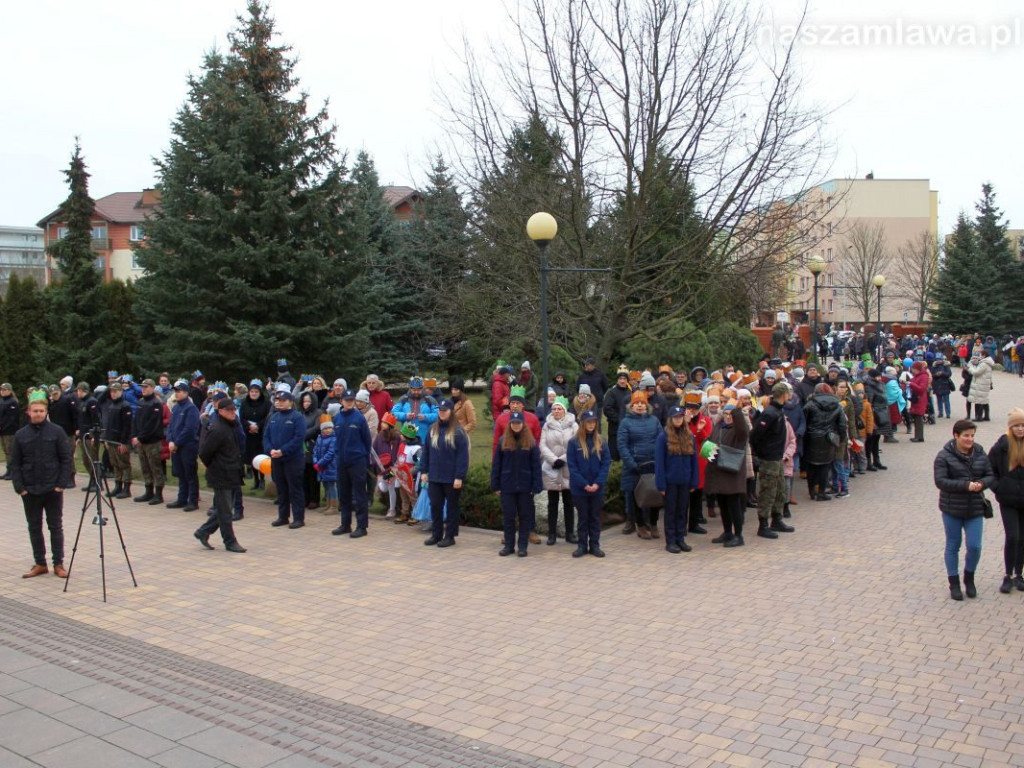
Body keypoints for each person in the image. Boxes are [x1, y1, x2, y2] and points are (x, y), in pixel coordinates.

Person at [10, 391, 73, 578]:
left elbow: (66, 459)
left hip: (53, 489)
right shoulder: (21, 435)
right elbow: (15, 463)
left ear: (46, 412)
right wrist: (19, 487)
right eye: (34, 410)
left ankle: (58, 563)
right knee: (34, 527)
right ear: (28, 412)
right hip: (30, 490)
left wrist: (61, 484)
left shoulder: (57, 432)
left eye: (41, 410)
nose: (38, 413)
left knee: (55, 527)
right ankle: (40, 563)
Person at [934, 419, 994, 600]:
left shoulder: (980, 453)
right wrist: (966, 485)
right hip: (952, 508)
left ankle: (970, 578)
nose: (970, 439)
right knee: (953, 545)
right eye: (966, 436)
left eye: (972, 436)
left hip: (974, 508)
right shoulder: (944, 456)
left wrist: (982, 484)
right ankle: (954, 582)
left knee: (975, 546)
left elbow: (990, 475)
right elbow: (941, 481)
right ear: (956, 436)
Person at [194, 398, 247, 553]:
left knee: (225, 507)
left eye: (234, 410)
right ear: (221, 411)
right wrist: (214, 466)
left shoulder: (231, 425)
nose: (233, 413)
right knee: (225, 511)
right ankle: (230, 541)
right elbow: (204, 452)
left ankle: (203, 531)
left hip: (232, 471)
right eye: (229, 410)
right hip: (221, 474)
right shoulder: (217, 429)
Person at [490, 411, 543, 557]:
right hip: (507, 485)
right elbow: (497, 465)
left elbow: (536, 466)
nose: (516, 425)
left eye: (518, 423)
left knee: (525, 517)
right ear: (510, 424)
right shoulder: (503, 441)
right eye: (513, 423)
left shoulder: (531, 442)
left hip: (525, 486)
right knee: (508, 516)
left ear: (523, 424)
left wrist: (536, 485)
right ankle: (509, 546)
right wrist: (495, 484)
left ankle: (522, 546)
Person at [419, 399, 470, 547]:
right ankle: (436, 534)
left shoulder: (458, 432)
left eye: (445, 411)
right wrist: (424, 470)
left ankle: (450, 536)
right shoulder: (432, 430)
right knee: (435, 505)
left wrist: (459, 476)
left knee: (452, 507)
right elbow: (426, 452)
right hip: (435, 476)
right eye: (440, 411)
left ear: (451, 412)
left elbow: (463, 457)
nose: (442, 413)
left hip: (451, 478)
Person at [749, 382, 796, 538]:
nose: (790, 395)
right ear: (784, 395)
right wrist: (760, 453)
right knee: (768, 491)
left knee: (779, 490)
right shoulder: (770, 413)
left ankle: (777, 519)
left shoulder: (778, 411)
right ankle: (763, 525)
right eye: (788, 393)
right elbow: (755, 435)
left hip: (777, 458)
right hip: (769, 458)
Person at [988, 409, 1024, 595]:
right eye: (1016, 425)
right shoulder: (1002, 446)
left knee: (1022, 539)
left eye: (1023, 425)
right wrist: (998, 487)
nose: (1020, 429)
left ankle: (1019, 574)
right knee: (1013, 537)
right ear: (1010, 427)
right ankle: (1007, 575)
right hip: (1008, 499)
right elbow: (989, 469)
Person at [618, 390, 662, 539]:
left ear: (646, 405)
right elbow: (622, 445)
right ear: (631, 405)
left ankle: (654, 524)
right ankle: (641, 526)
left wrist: (660, 460)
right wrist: (631, 463)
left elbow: (661, 440)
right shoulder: (626, 422)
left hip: (653, 464)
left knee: (655, 495)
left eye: (642, 403)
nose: (639, 405)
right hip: (635, 467)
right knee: (637, 497)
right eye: (636, 403)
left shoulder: (654, 420)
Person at [655, 404, 699, 553]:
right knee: (671, 512)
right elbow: (659, 463)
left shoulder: (690, 436)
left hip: (685, 481)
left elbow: (694, 461)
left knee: (682, 511)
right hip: (670, 482)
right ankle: (671, 541)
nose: (678, 420)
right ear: (671, 419)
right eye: (675, 418)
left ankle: (680, 539)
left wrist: (694, 480)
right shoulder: (663, 437)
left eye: (680, 417)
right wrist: (661, 484)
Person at [705, 403, 750, 547]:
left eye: (731, 414)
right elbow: (708, 448)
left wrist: (737, 411)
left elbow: (743, 428)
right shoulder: (718, 427)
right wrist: (710, 453)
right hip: (718, 472)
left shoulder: (739, 431)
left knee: (734, 506)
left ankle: (738, 535)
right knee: (723, 505)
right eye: (726, 414)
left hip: (732, 473)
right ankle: (727, 532)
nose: (728, 417)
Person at [566, 410, 610, 558]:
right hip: (580, 489)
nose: (591, 425)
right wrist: (584, 484)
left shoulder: (601, 441)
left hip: (597, 488)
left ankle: (595, 545)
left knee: (595, 517)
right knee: (583, 518)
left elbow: (605, 464)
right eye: (588, 422)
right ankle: (582, 545)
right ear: (583, 424)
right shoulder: (574, 442)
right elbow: (572, 466)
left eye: (593, 422)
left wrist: (598, 483)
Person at [264, 383, 307, 529]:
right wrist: (270, 450)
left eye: (282, 400)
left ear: (290, 402)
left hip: (292, 459)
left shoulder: (297, 417)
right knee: (281, 488)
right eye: (277, 400)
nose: (279, 402)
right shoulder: (274, 417)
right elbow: (266, 436)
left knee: (294, 488)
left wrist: (283, 450)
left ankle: (298, 517)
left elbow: (298, 438)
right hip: (276, 459)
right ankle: (283, 516)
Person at [331, 389, 373, 538]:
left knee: (359, 494)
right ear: (341, 401)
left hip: (357, 461)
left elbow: (367, 441)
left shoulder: (359, 418)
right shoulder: (336, 418)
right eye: (346, 400)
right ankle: (345, 524)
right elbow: (335, 439)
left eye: (351, 400)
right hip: (341, 461)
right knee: (344, 494)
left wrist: (363, 458)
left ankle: (362, 526)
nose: (349, 402)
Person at [540, 397, 577, 546]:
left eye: (559, 408)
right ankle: (552, 534)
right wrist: (554, 460)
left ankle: (569, 534)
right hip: (552, 468)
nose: (556, 411)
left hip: (568, 467)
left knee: (569, 502)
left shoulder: (573, 425)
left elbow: (576, 444)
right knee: (552, 502)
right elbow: (542, 445)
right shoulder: (546, 425)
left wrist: (564, 459)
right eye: (554, 408)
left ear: (565, 410)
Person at [802, 383, 847, 501]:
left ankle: (812, 491)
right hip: (829, 438)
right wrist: (841, 439)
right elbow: (842, 425)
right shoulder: (837, 405)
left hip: (812, 438)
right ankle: (821, 492)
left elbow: (804, 422)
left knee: (811, 465)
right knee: (824, 466)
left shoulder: (810, 404)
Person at [166, 380, 201, 511]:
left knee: (190, 474)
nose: (177, 394)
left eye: (179, 391)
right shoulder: (175, 407)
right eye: (175, 391)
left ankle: (193, 500)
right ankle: (182, 498)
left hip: (187, 446)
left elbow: (190, 429)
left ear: (186, 392)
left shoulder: (191, 408)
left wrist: (177, 442)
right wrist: (170, 440)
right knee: (180, 473)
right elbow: (170, 426)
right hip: (175, 446)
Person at [132, 378, 166, 505]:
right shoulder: (141, 402)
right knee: (145, 466)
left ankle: (158, 493)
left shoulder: (156, 403)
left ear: (152, 388)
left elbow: (152, 424)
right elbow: (136, 420)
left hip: (152, 441)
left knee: (155, 467)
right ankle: (148, 490)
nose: (143, 389)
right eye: (142, 387)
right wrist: (134, 435)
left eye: (146, 387)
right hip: (141, 440)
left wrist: (141, 437)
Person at [240, 379, 271, 490]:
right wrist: (249, 426)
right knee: (251, 457)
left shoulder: (266, 403)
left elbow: (268, 417)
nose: (254, 393)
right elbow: (242, 417)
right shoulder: (244, 403)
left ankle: (262, 479)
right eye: (252, 391)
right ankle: (256, 480)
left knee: (261, 457)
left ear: (260, 393)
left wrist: (258, 425)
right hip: (249, 434)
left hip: (261, 434)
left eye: (256, 392)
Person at [298, 391, 324, 510]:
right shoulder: (300, 414)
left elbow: (317, 428)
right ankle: (305, 498)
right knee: (303, 474)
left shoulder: (318, 413)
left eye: (308, 401)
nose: (306, 403)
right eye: (304, 401)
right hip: (301, 448)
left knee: (312, 475)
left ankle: (314, 499)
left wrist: (303, 435)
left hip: (313, 446)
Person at [393, 377, 439, 443]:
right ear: (410, 389)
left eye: (418, 390)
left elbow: (438, 415)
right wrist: (405, 416)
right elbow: (393, 413)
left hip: (424, 438)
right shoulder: (403, 399)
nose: (416, 392)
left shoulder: (430, 400)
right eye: (414, 390)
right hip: (406, 437)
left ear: (422, 388)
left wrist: (425, 417)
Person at [603, 366, 633, 462]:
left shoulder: (630, 393)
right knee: (614, 451)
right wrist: (618, 419)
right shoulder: (612, 392)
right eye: (620, 379)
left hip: (628, 426)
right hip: (615, 427)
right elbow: (607, 408)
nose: (622, 381)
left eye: (624, 379)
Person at [313, 421, 338, 515]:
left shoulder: (334, 439)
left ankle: (334, 506)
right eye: (325, 429)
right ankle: (328, 504)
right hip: (321, 466)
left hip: (330, 466)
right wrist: (315, 461)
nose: (328, 430)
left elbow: (331, 453)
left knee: (332, 485)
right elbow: (315, 450)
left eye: (329, 428)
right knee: (326, 485)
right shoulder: (319, 438)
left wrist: (320, 463)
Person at [966, 352, 994, 422]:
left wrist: (970, 368)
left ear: (984, 355)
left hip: (980, 384)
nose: (980, 357)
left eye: (981, 355)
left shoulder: (984, 364)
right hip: (985, 384)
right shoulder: (988, 363)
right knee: (984, 400)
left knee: (978, 401)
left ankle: (979, 417)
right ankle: (986, 416)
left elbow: (976, 373)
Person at [908, 361, 930, 442]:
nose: (912, 370)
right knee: (916, 418)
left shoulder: (924, 376)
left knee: (919, 418)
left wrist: (911, 384)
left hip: (920, 399)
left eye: (913, 369)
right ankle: (917, 436)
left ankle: (919, 436)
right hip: (916, 399)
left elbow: (921, 389)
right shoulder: (917, 376)